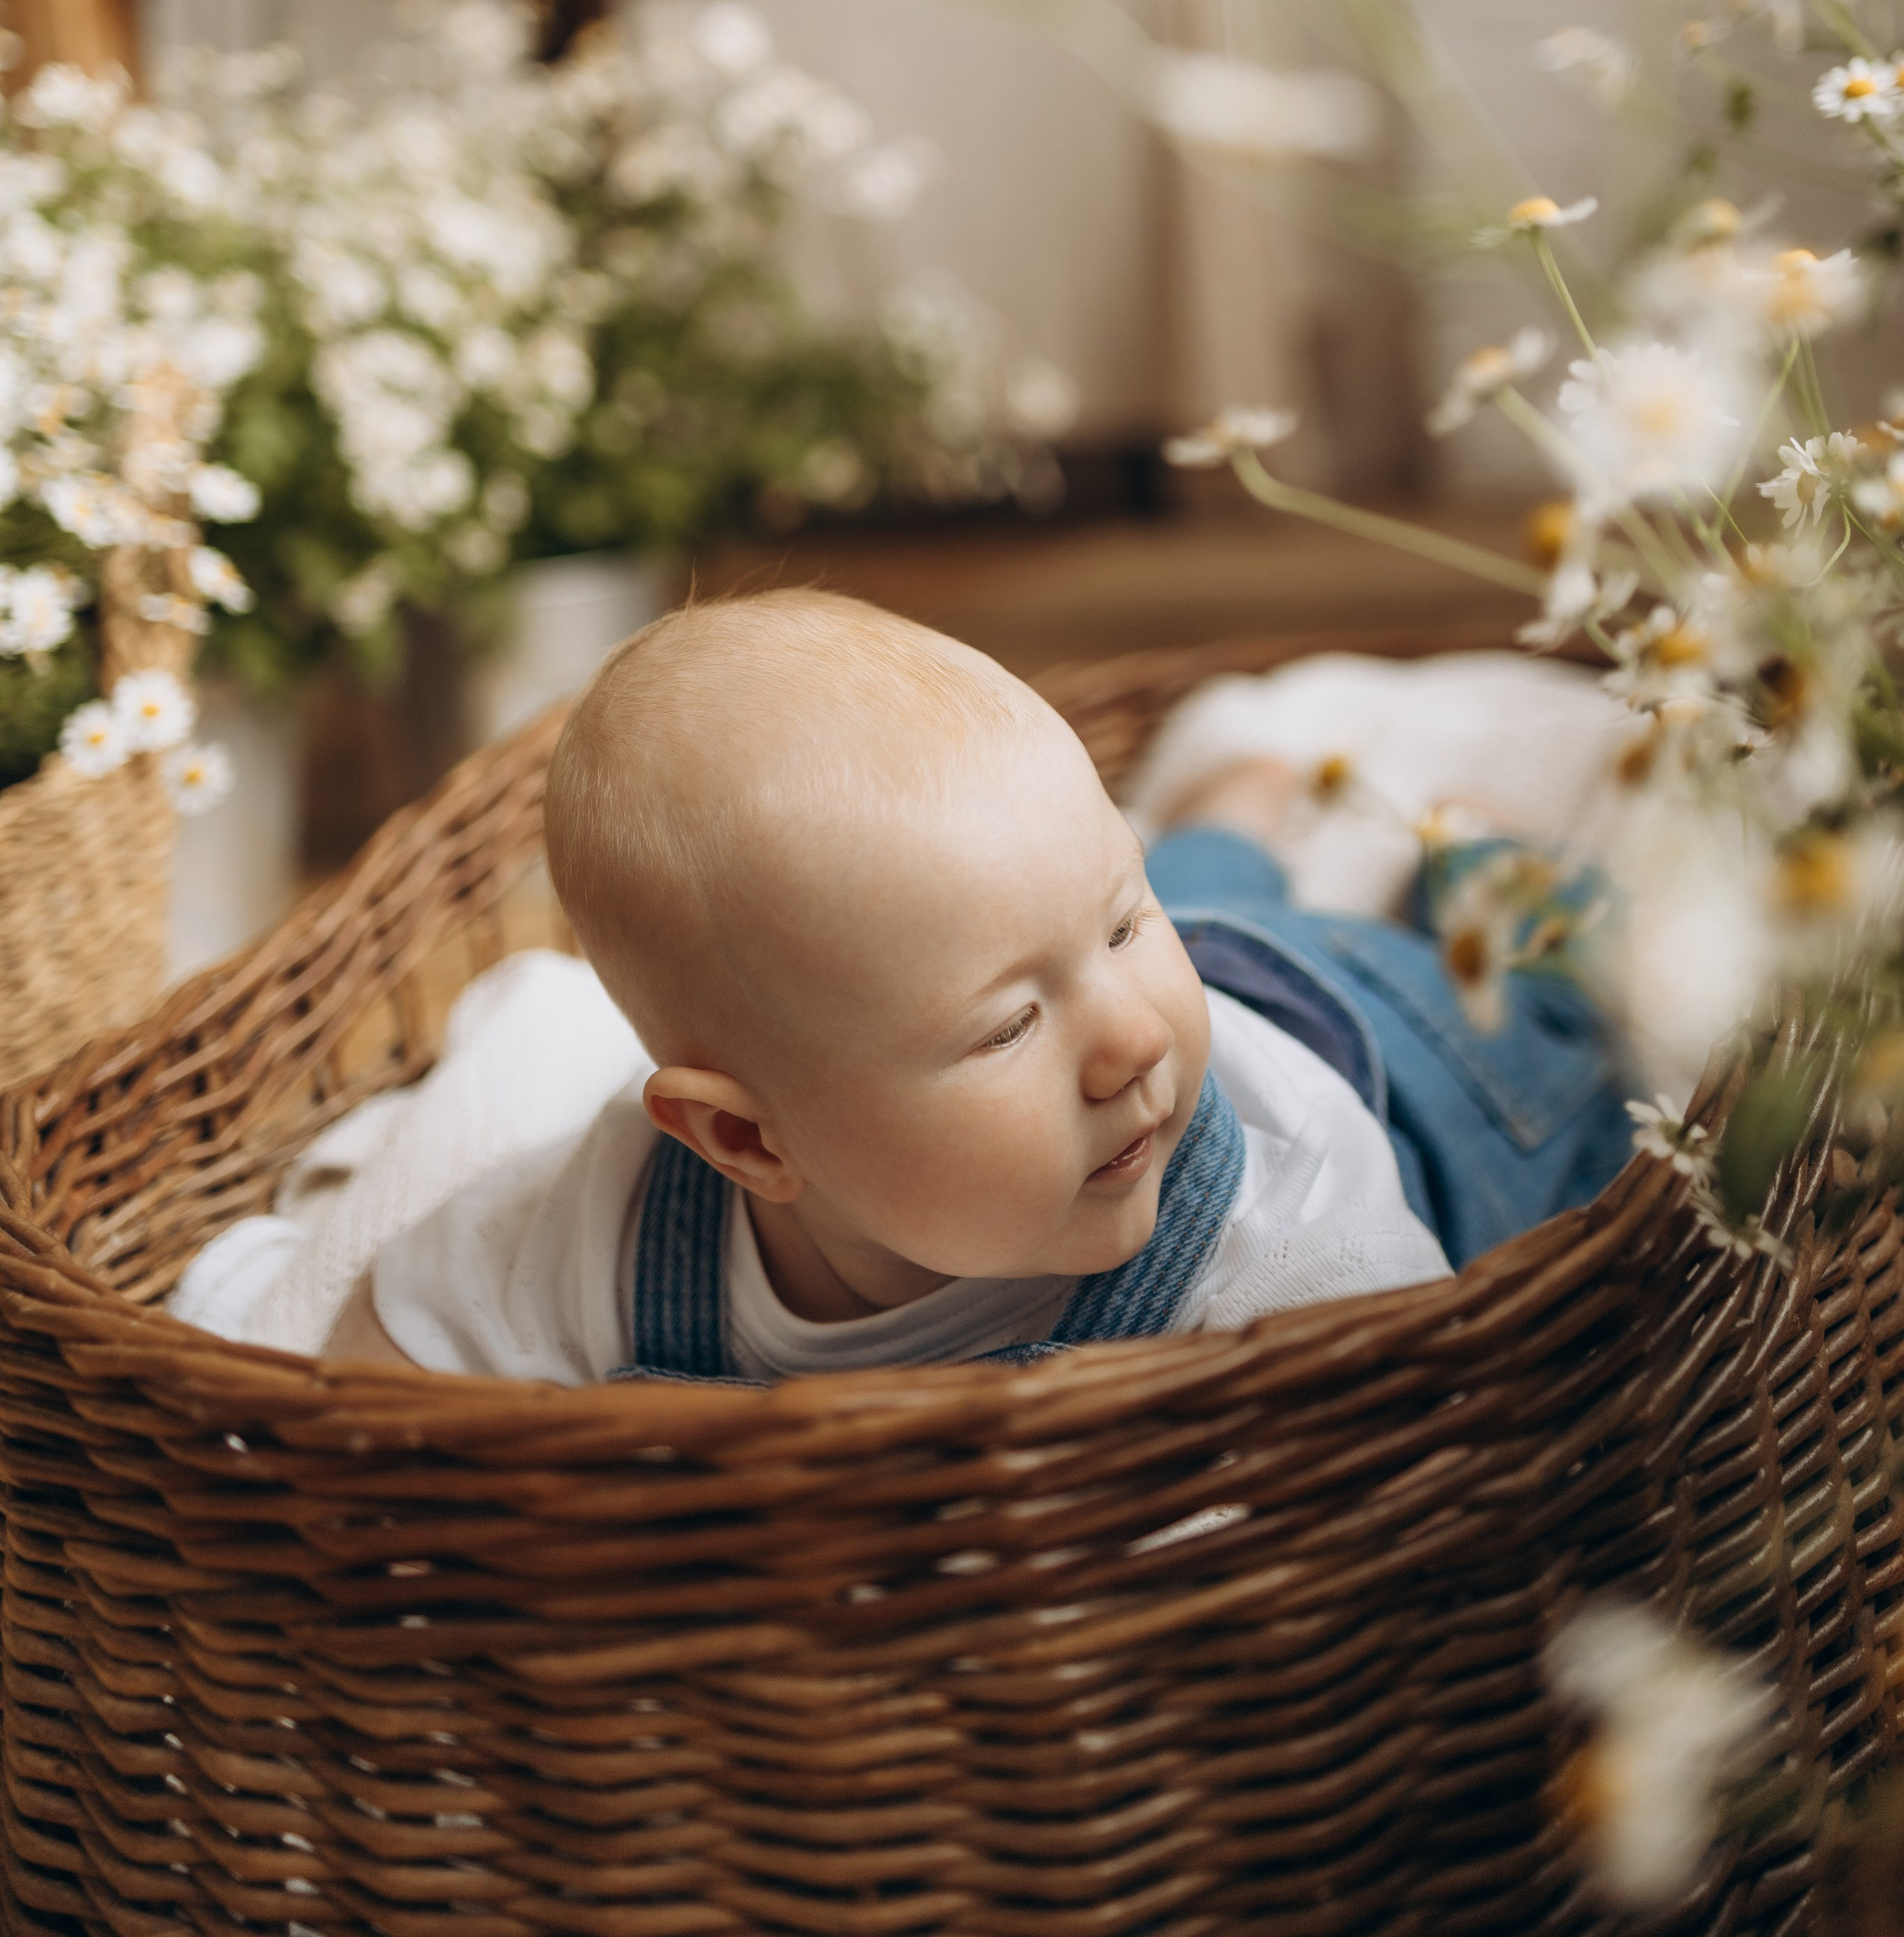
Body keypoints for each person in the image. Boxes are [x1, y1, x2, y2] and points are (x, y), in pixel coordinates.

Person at [326, 592, 1630, 1385]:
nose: (1127, 1045)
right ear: (744, 1136)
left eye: (1127, 927)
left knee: (1542, 1006)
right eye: (1005, 1027)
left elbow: (1401, 1462)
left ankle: (1477, 858)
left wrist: (1106, 945)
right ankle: (1189, 862)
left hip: (1386, 1042)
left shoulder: (1290, 1220)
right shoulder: (618, 1227)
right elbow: (386, 1355)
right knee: (1173, 915)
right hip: (1188, 952)